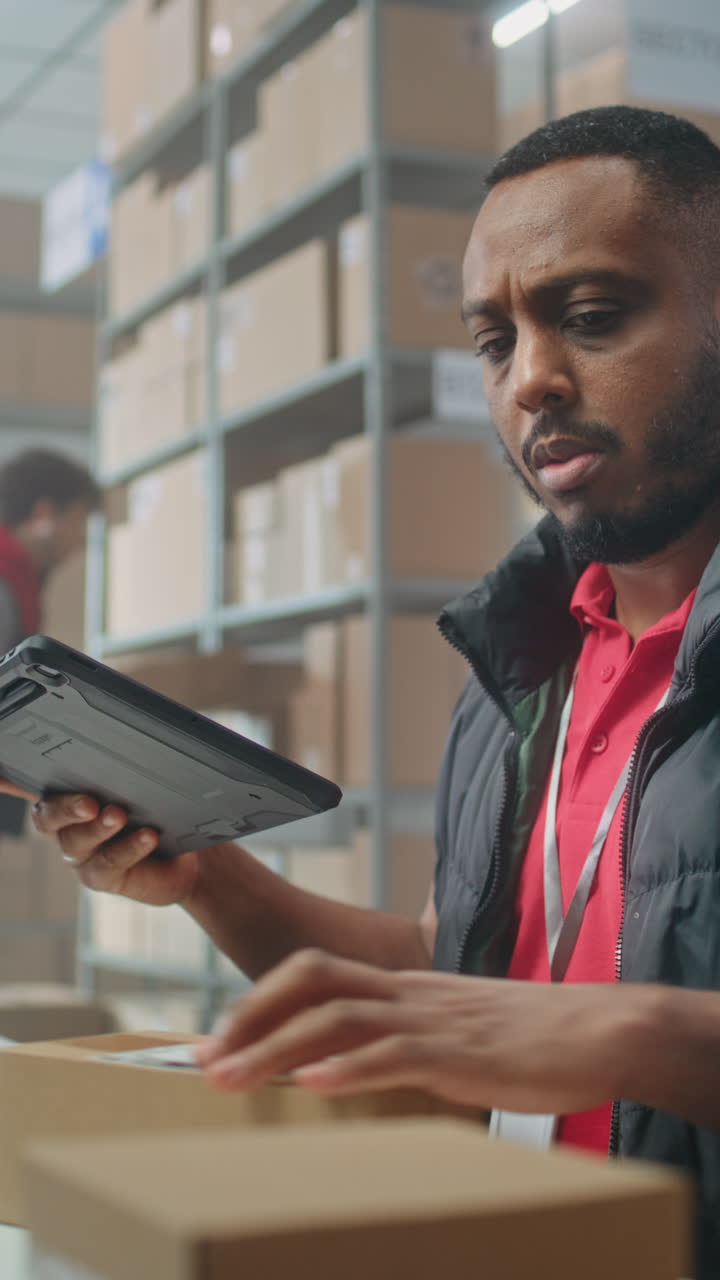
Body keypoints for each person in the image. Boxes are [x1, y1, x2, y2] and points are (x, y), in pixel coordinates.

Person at [14, 106, 720, 1276]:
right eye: (495, 341)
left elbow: (555, 1026)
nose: (534, 378)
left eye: (592, 317)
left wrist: (636, 1030)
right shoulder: (519, 664)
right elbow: (451, 985)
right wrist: (207, 873)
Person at [0, 448, 99, 833]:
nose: (81, 541)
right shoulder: (6, 583)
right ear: (45, 515)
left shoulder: (21, 582)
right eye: (79, 521)